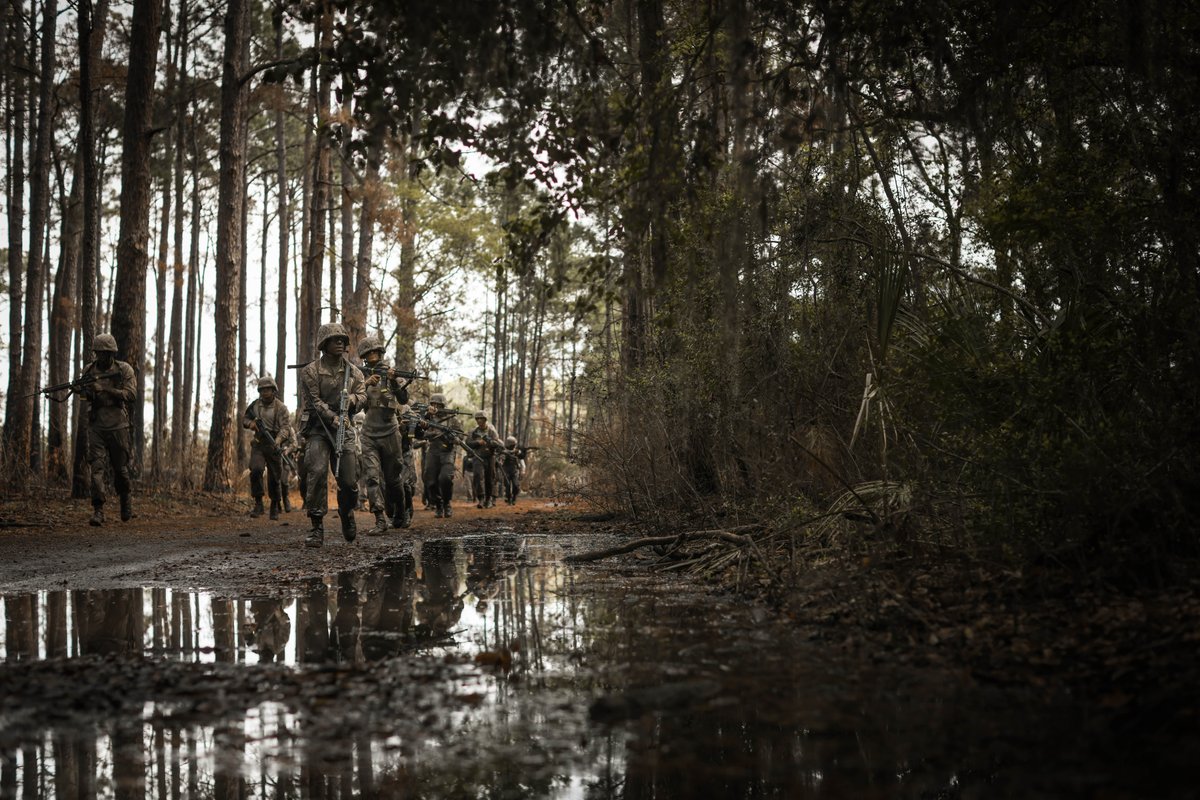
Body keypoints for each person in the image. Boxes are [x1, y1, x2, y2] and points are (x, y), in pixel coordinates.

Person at [298, 323, 366, 546]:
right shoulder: (310, 371)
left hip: (344, 427)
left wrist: (353, 401)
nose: (339, 343)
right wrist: (332, 417)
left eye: (342, 339)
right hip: (319, 428)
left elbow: (363, 395)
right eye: (334, 339)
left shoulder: (354, 372)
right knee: (316, 472)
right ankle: (316, 526)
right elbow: (314, 402)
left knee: (348, 479)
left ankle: (347, 513)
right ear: (323, 344)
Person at [80, 333, 137, 526]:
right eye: (98, 353)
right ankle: (98, 510)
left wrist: (104, 389)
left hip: (118, 426)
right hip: (96, 426)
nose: (100, 357)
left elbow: (131, 395)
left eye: (104, 353)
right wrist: (86, 391)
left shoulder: (124, 370)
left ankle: (125, 500)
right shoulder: (89, 370)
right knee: (96, 468)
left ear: (112, 353)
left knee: (120, 469)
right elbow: (84, 398)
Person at [357, 336, 411, 535]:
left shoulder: (392, 372)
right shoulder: (359, 376)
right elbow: (353, 404)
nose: (372, 356)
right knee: (371, 477)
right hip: (369, 433)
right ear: (363, 356)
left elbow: (404, 399)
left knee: (393, 478)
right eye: (368, 353)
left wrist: (393, 381)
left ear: (380, 353)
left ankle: (401, 512)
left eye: (375, 352)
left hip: (390, 432)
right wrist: (364, 384)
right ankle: (380, 519)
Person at [241, 376, 294, 520]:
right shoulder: (255, 405)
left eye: (268, 389)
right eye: (262, 390)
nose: (265, 392)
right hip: (259, 443)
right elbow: (245, 419)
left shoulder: (281, 408)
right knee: (256, 469)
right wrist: (251, 424)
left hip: (275, 445)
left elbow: (286, 428)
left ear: (273, 390)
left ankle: (274, 505)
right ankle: (258, 503)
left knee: (275, 477)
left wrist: (278, 440)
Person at [414, 393, 462, 518]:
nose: (434, 407)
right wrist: (426, 428)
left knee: (445, 478)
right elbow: (418, 434)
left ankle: (446, 503)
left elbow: (460, 435)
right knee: (429, 479)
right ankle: (438, 504)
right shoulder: (427, 418)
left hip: (447, 451)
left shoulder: (452, 419)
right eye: (433, 404)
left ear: (443, 405)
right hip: (433, 451)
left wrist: (455, 438)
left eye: (438, 405)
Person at [467, 410, 502, 508]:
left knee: (489, 478)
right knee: (478, 476)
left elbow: (498, 444)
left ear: (485, 419)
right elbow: (468, 443)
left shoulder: (491, 431)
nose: (479, 421)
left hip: (490, 457)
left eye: (481, 419)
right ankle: (481, 499)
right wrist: (478, 442)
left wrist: (490, 442)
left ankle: (488, 499)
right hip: (477, 457)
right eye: (477, 419)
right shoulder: (473, 431)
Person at [499, 436, 536, 505]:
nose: (514, 446)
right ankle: (508, 498)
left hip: (514, 471)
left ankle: (514, 498)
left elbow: (521, 458)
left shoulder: (517, 451)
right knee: (507, 485)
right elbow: (501, 460)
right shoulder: (504, 452)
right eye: (512, 445)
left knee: (516, 485)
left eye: (514, 444)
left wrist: (522, 470)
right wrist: (501, 462)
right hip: (506, 471)